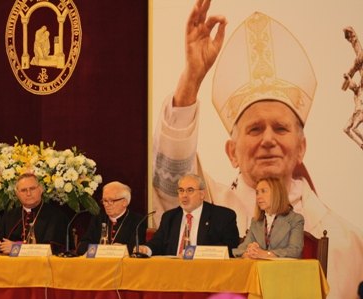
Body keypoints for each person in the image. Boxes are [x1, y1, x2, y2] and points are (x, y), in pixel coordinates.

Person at [152, 1, 363, 298]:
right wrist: (191, 79)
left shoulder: (348, 241)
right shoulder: (207, 208)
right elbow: (169, 178)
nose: (267, 139)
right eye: (254, 129)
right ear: (232, 152)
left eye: (280, 128)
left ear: (301, 147)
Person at [138, 174, 239, 257]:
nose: (184, 195)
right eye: (181, 190)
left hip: (206, 272)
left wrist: (196, 254)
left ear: (202, 194)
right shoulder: (170, 217)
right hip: (172, 272)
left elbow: (230, 247)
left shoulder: (223, 216)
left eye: (190, 190)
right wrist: (146, 249)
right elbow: (158, 242)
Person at [0, 173, 69, 254]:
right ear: (17, 194)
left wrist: (17, 248)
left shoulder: (56, 216)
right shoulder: (10, 215)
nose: (28, 193)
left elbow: (52, 248)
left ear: (40, 190)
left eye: (32, 189)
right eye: (23, 190)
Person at [233, 177, 304, 258]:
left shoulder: (295, 219)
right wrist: (249, 252)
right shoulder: (256, 221)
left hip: (285, 269)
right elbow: (241, 249)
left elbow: (295, 251)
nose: (259, 197)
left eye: (263, 191)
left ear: (277, 193)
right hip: (260, 269)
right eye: (257, 192)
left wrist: (267, 254)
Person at [76, 181, 147, 255]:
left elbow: (136, 249)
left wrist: (120, 250)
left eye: (111, 201)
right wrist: (102, 250)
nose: (106, 205)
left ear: (124, 202)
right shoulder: (98, 218)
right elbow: (82, 246)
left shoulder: (138, 221)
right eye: (104, 200)